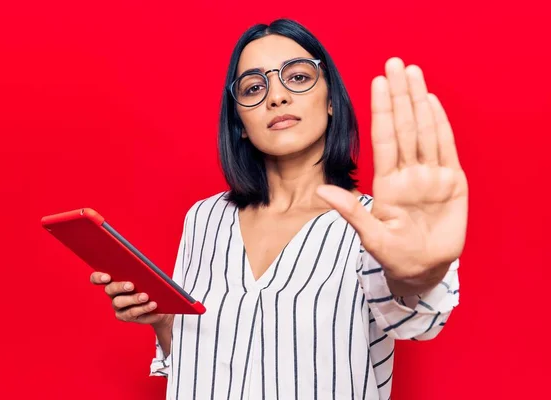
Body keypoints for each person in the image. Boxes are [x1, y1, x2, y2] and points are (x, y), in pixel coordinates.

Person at [90, 18, 468, 400]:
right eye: (254, 87)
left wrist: (420, 275)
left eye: (299, 78)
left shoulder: (375, 226)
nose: (277, 97)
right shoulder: (204, 219)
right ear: (239, 121)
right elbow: (197, 367)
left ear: (332, 100)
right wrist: (166, 322)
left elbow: (416, 321)